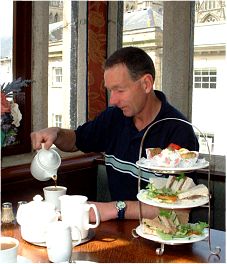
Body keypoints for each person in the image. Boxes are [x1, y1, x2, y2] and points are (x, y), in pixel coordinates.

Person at [31, 46, 198, 222]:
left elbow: (182, 208)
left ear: (146, 84)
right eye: (110, 90)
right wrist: (56, 133)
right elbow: (76, 140)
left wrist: (114, 209)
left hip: (163, 238)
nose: (113, 100)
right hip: (120, 233)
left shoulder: (179, 130)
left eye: (120, 90)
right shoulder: (113, 118)